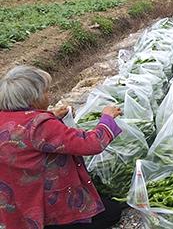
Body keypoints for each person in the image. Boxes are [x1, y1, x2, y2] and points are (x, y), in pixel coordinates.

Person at [0, 66, 124, 229]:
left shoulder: (6, 120)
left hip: (17, 201)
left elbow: (27, 133)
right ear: (33, 99)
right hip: (50, 203)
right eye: (45, 91)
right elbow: (91, 144)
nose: (48, 95)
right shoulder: (40, 124)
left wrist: (51, 115)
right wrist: (107, 118)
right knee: (112, 213)